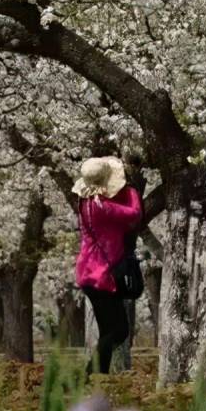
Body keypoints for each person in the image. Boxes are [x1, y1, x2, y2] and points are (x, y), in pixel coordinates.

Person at [73, 156, 142, 375]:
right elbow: (134, 213)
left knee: (108, 332)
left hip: (89, 273)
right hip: (101, 276)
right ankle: (88, 374)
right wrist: (131, 191)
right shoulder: (102, 207)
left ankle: (97, 377)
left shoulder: (86, 202)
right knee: (119, 330)